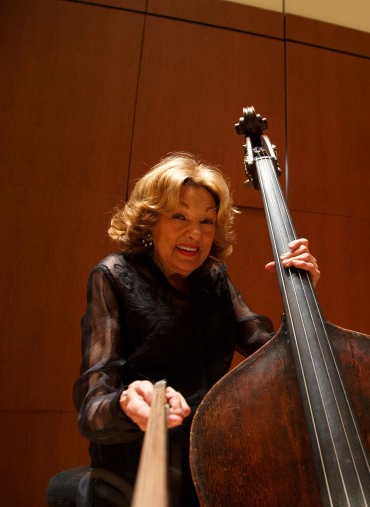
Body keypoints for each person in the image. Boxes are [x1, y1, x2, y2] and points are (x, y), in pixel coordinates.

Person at [73, 153, 320, 506]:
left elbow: (274, 354)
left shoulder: (213, 277)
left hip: (207, 461)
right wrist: (125, 404)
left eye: (207, 221)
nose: (195, 233)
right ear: (150, 220)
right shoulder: (113, 275)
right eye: (179, 216)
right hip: (135, 470)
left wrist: (303, 292)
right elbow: (92, 407)